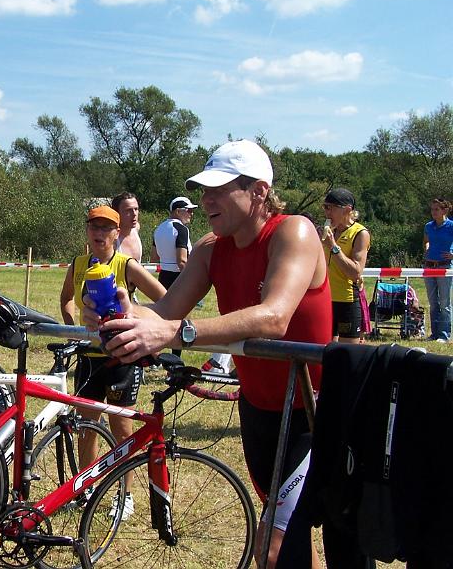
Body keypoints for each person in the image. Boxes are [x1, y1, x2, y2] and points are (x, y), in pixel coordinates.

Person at [86, 140, 332, 567]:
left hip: (311, 412)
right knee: (289, 537)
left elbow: (273, 317)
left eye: (218, 189)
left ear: (258, 192)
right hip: (259, 409)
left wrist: (174, 334)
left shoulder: (294, 231)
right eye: (203, 190)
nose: (205, 200)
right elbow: (162, 312)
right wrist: (121, 315)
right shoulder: (209, 248)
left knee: (272, 550)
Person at [60, 205, 166, 518]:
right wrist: (72, 329)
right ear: (87, 231)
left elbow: (165, 297)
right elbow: (66, 298)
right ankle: (86, 488)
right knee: (86, 427)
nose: (100, 233)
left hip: (123, 357)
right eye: (95, 226)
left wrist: (133, 311)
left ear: (116, 234)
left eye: (107, 228)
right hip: (90, 358)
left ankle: (124, 494)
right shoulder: (78, 265)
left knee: (122, 430)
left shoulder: (126, 264)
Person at [320, 188, 370, 344]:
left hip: (347, 300)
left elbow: (355, 272)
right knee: (324, 351)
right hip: (325, 298)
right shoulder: (328, 232)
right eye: (325, 207)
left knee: (346, 354)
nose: (327, 212)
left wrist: (333, 247)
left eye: (331, 208)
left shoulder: (360, 233)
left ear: (347, 209)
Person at [422, 197, 453, 342]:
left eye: (436, 209)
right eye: (432, 209)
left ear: (445, 210)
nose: (433, 212)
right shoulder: (428, 226)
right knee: (433, 302)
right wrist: (427, 248)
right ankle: (434, 333)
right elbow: (427, 240)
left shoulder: (451, 226)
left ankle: (444, 335)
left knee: (445, 302)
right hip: (429, 265)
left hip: (444, 266)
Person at [151, 196, 198, 288]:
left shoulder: (159, 229)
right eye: (189, 210)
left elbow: (154, 258)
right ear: (178, 211)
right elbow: (182, 261)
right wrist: (192, 280)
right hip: (178, 276)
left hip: (163, 276)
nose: (191, 214)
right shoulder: (181, 229)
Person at [111, 192, 142, 262]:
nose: (134, 214)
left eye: (136, 209)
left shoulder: (136, 228)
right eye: (128, 210)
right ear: (116, 213)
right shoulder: (111, 240)